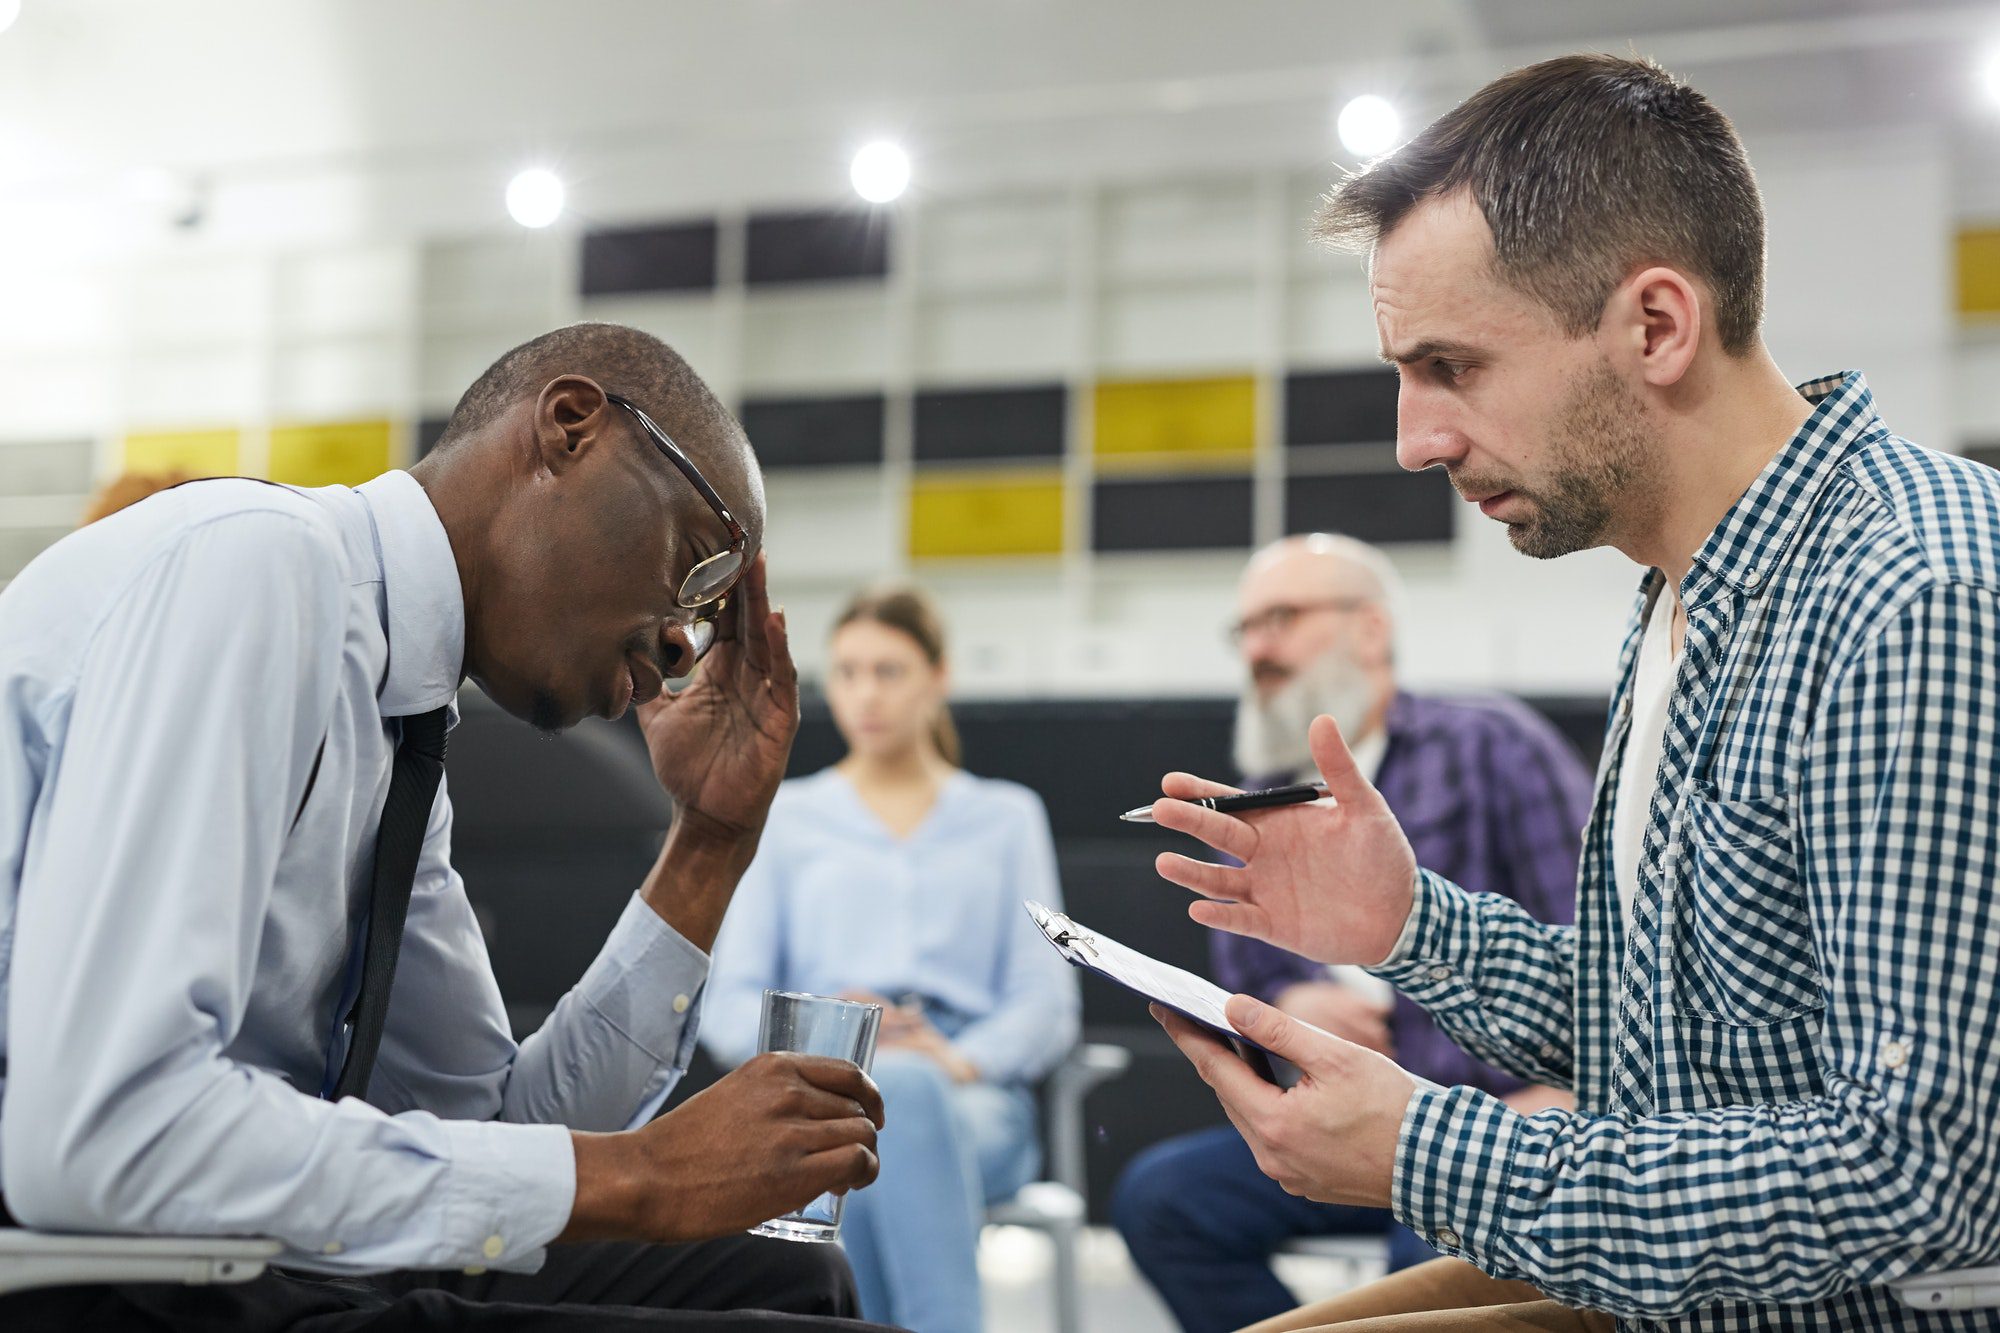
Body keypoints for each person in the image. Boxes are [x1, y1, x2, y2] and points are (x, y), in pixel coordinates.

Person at [1146, 53, 2000, 1332]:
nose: (1412, 438)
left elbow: (1924, 1174)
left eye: (1451, 367)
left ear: (1655, 326)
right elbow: (1665, 1039)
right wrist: (1407, 925)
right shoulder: (1684, 592)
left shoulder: (1909, 595)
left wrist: (1432, 1151)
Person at [0, 322, 899, 1333]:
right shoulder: (258, 565)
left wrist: (708, 844)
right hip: (81, 1266)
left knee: (789, 1286)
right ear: (569, 427)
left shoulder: (398, 718)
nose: (687, 636)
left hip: (215, 1251)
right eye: (696, 561)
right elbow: (105, 1137)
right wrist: (642, 1172)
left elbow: (496, 1134)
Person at [1112, 533, 1588, 1333]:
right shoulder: (1261, 793)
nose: (1258, 648)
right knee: (1160, 1198)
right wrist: (1292, 995)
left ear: (1370, 629)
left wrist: (1567, 1087)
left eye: (1283, 618)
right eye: (1247, 629)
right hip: (1337, 1118)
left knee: (1432, 1251)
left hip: (1493, 1117)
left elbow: (1591, 935)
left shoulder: (1491, 746)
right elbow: (1243, 960)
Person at [704, 585, 1080, 1333]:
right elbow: (726, 1003)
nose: (865, 693)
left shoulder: (1007, 816)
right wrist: (832, 1046)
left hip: (971, 1095)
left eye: (889, 670)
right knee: (868, 1124)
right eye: (846, 672)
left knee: (893, 1111)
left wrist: (956, 1060)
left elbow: (1047, 999)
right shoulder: (791, 816)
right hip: (825, 1090)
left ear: (939, 677)